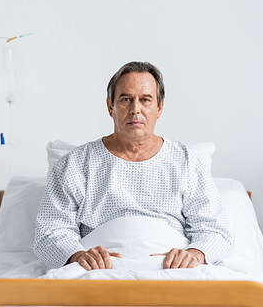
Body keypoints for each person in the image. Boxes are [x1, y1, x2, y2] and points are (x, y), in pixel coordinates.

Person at [33, 61, 233, 271]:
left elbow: (215, 230)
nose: (135, 109)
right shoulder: (74, 165)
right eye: (125, 99)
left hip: (173, 273)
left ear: (159, 108)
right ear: (110, 106)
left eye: (145, 100)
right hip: (97, 273)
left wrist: (195, 254)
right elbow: (50, 231)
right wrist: (78, 256)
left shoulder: (187, 162)